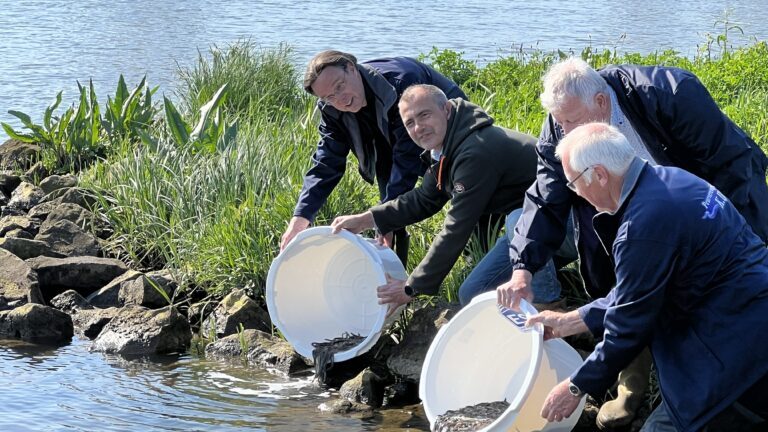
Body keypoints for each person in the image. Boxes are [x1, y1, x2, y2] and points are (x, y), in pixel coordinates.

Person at [499, 57, 768, 428]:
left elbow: (632, 317)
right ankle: (637, 391)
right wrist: (564, 320)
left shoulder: (667, 96)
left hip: (734, 339)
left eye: (575, 184)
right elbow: (633, 294)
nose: (575, 194)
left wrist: (576, 387)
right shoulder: (670, 179)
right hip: (734, 293)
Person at [330, 84, 568, 312]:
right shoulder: (448, 146)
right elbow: (424, 199)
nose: (418, 128)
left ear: (446, 109)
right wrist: (367, 219)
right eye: (409, 123)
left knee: (518, 218)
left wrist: (412, 286)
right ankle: (561, 278)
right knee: (473, 294)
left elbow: (457, 228)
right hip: (529, 232)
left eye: (424, 115)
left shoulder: (475, 151)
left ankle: (549, 303)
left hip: (570, 222)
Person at [280, 50, 468, 264]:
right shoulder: (331, 109)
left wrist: (384, 218)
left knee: (462, 188)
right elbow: (326, 162)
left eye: (340, 86)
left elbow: (408, 159)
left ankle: (477, 251)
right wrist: (300, 217)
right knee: (386, 208)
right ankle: (394, 277)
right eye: (329, 97)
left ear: (352, 68)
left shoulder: (400, 83)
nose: (339, 99)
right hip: (385, 135)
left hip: (447, 124)